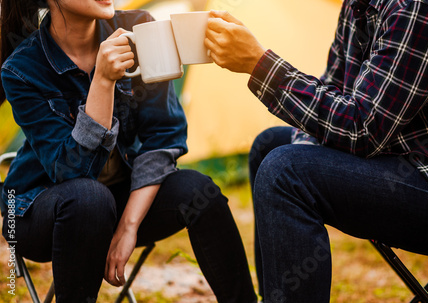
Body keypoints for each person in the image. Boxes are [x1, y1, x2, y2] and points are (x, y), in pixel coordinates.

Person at [204, 0, 428, 301]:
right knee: (270, 147)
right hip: (405, 157)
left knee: (285, 170)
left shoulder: (422, 6)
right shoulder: (358, 5)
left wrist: (260, 65)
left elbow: (362, 129)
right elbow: (336, 93)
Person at [0, 1, 257, 302]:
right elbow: (70, 172)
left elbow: (163, 136)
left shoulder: (140, 30)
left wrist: (128, 226)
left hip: (117, 202)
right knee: (88, 198)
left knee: (199, 192)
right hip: (38, 212)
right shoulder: (22, 69)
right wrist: (103, 81)